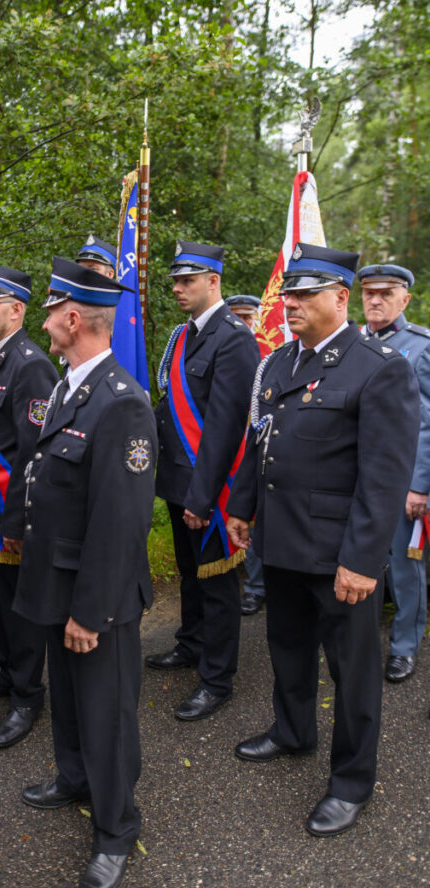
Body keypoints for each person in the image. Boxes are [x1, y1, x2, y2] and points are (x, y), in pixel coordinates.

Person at [227, 242, 419, 837]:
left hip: (340, 555)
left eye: (305, 294)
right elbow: (262, 440)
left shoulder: (379, 367)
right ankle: (293, 731)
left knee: (352, 672)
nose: (291, 304)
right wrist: (241, 507)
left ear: (340, 297)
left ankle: (352, 781)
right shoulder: (280, 363)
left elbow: (384, 478)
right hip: (282, 541)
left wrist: (362, 561)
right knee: (287, 647)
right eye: (288, 294)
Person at [14, 257, 156, 888]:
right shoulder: (70, 387)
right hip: (57, 578)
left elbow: (121, 522)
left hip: (96, 594)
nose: (44, 322)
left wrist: (91, 612)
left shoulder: (121, 404)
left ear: (73, 319)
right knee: (70, 703)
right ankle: (73, 777)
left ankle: (116, 828)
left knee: (106, 714)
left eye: (50, 312)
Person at [146, 242, 259, 720]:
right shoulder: (183, 335)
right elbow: (168, 409)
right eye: (175, 280)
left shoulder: (234, 339)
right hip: (179, 481)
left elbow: (226, 429)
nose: (177, 288)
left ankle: (217, 678)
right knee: (190, 574)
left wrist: (203, 497)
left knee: (217, 584)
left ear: (213, 281)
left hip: (209, 490)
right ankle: (190, 643)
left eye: (187, 280)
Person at [0, 262, 57, 748]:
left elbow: (33, 454)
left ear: (16, 310)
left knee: (19, 612)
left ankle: (27, 694)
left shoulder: (30, 365)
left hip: (8, 515)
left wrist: (16, 522)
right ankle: (5, 674)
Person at [357, 262, 430, 683]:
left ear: (405, 299)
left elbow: (427, 423)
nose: (376, 300)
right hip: (357, 479)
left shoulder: (419, 347)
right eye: (369, 293)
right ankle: (358, 641)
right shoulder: (351, 342)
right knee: (358, 560)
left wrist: (419, 485)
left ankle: (404, 646)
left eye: (386, 293)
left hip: (402, 484)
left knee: (404, 568)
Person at [225, 293, 266, 615]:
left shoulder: (271, 355)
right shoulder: (224, 349)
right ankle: (247, 583)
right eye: (236, 316)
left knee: (258, 517)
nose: (242, 322)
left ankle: (257, 585)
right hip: (230, 444)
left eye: (247, 317)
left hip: (259, 445)